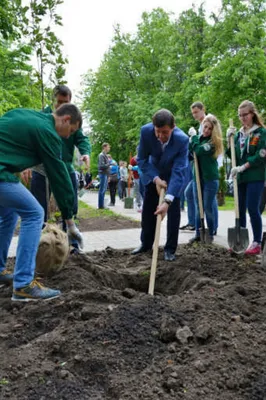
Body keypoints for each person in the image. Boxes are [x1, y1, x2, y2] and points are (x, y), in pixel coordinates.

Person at [0, 104, 84, 301]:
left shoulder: (27, 114)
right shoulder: (48, 132)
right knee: (35, 213)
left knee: (10, 213)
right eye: (70, 131)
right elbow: (59, 176)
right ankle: (23, 285)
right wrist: (69, 221)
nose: (67, 137)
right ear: (65, 119)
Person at [23, 85, 91, 227]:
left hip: (65, 166)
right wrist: (26, 164)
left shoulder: (72, 119)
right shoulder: (43, 117)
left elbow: (82, 138)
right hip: (42, 168)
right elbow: (30, 143)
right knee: (38, 208)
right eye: (59, 102)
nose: (61, 105)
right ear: (53, 100)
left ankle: (72, 242)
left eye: (65, 102)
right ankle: (41, 243)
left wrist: (85, 153)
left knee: (71, 205)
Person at [131, 109, 189, 261]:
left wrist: (167, 201)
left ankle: (170, 249)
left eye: (165, 132)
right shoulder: (146, 132)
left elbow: (179, 171)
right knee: (148, 210)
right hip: (152, 173)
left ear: (173, 127)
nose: (161, 136)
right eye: (158, 132)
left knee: (174, 212)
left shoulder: (182, 140)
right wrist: (156, 179)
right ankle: (146, 244)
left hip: (172, 176)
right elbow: (141, 160)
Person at [226, 100, 266, 255]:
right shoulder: (238, 135)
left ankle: (257, 241)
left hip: (255, 176)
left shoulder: (261, 133)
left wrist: (243, 167)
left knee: (252, 208)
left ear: (252, 114)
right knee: (239, 209)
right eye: (240, 115)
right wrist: (229, 142)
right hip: (241, 178)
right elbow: (233, 156)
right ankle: (240, 240)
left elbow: (261, 155)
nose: (243, 118)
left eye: (245, 115)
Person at [189, 114, 224, 244]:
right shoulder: (198, 139)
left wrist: (193, 138)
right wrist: (193, 140)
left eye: (210, 128)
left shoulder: (212, 143)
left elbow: (197, 150)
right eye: (205, 127)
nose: (206, 130)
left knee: (207, 207)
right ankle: (199, 233)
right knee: (199, 207)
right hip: (197, 177)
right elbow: (190, 152)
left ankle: (210, 233)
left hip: (210, 179)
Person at [98, 143, 110, 209]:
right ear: (104, 147)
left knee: (104, 190)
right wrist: (109, 163)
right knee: (102, 190)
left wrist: (108, 176)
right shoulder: (101, 155)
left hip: (105, 174)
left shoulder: (105, 155)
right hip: (102, 174)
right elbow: (101, 166)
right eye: (108, 147)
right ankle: (100, 205)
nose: (109, 148)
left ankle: (102, 205)